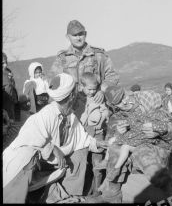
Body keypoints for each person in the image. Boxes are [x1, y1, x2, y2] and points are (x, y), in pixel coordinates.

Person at [3, 73, 107, 203]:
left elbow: (81, 138)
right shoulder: (45, 115)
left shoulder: (70, 115)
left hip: (56, 163)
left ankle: (71, 196)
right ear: (71, 96)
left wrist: (98, 144)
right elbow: (27, 141)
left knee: (80, 152)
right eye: (75, 94)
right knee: (26, 157)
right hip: (32, 165)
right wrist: (51, 148)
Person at [47, 20, 119, 196]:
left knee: (97, 154)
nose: (78, 37)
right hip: (72, 113)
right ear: (68, 36)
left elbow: (112, 76)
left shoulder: (98, 55)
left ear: (85, 34)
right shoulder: (62, 58)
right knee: (75, 153)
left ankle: (97, 192)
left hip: (95, 113)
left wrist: (103, 90)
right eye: (74, 35)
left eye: (81, 34)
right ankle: (74, 193)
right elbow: (53, 84)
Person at [84, 85, 172, 203]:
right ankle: (112, 194)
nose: (124, 101)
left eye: (123, 96)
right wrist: (118, 133)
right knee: (115, 149)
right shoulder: (117, 117)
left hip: (158, 146)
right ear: (113, 106)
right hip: (133, 146)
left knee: (142, 152)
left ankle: (171, 194)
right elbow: (112, 140)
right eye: (119, 102)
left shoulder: (148, 102)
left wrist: (158, 131)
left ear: (126, 91)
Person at [79, 72, 110, 196]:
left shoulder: (99, 97)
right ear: (82, 87)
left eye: (94, 89)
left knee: (97, 165)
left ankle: (97, 191)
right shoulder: (78, 99)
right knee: (84, 164)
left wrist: (101, 118)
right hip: (83, 135)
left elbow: (105, 112)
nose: (92, 92)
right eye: (89, 89)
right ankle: (84, 190)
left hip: (97, 134)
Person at [2, 52, 18, 123]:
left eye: (6, 62)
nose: (5, 65)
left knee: (12, 122)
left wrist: (11, 80)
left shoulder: (8, 72)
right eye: (2, 63)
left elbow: (12, 87)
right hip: (4, 105)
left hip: (11, 103)